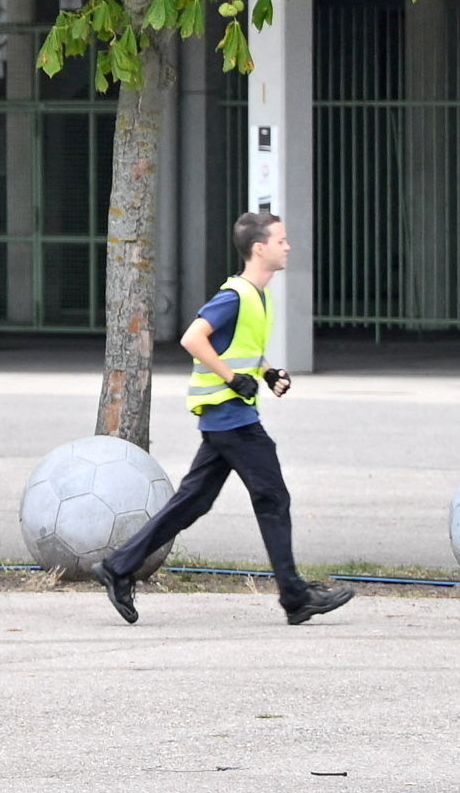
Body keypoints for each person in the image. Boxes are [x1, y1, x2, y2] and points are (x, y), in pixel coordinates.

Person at [100, 207, 353, 627]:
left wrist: (267, 372)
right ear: (259, 249)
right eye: (281, 241)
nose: (288, 246)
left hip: (228, 416)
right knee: (273, 498)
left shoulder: (257, 296)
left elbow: (240, 346)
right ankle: (295, 596)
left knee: (193, 501)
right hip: (231, 415)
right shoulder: (235, 295)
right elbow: (192, 338)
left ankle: (119, 566)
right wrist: (234, 379)